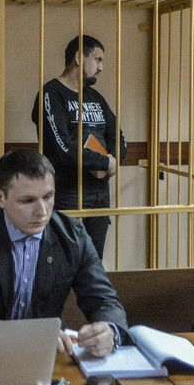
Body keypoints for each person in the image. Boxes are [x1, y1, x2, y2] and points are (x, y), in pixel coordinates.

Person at [0, 148, 130, 358]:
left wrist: (110, 332)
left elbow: (104, 300)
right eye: (28, 201)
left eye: (48, 196)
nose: (42, 211)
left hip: (51, 354)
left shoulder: (73, 236)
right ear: (0, 197)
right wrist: (29, 337)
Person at [31, 34, 126, 259]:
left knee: (94, 261)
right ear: (78, 57)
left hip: (100, 194)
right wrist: (102, 162)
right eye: (98, 59)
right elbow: (60, 147)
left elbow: (118, 136)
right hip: (68, 193)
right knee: (65, 260)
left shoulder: (96, 98)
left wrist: (111, 161)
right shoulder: (51, 94)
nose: (101, 67)